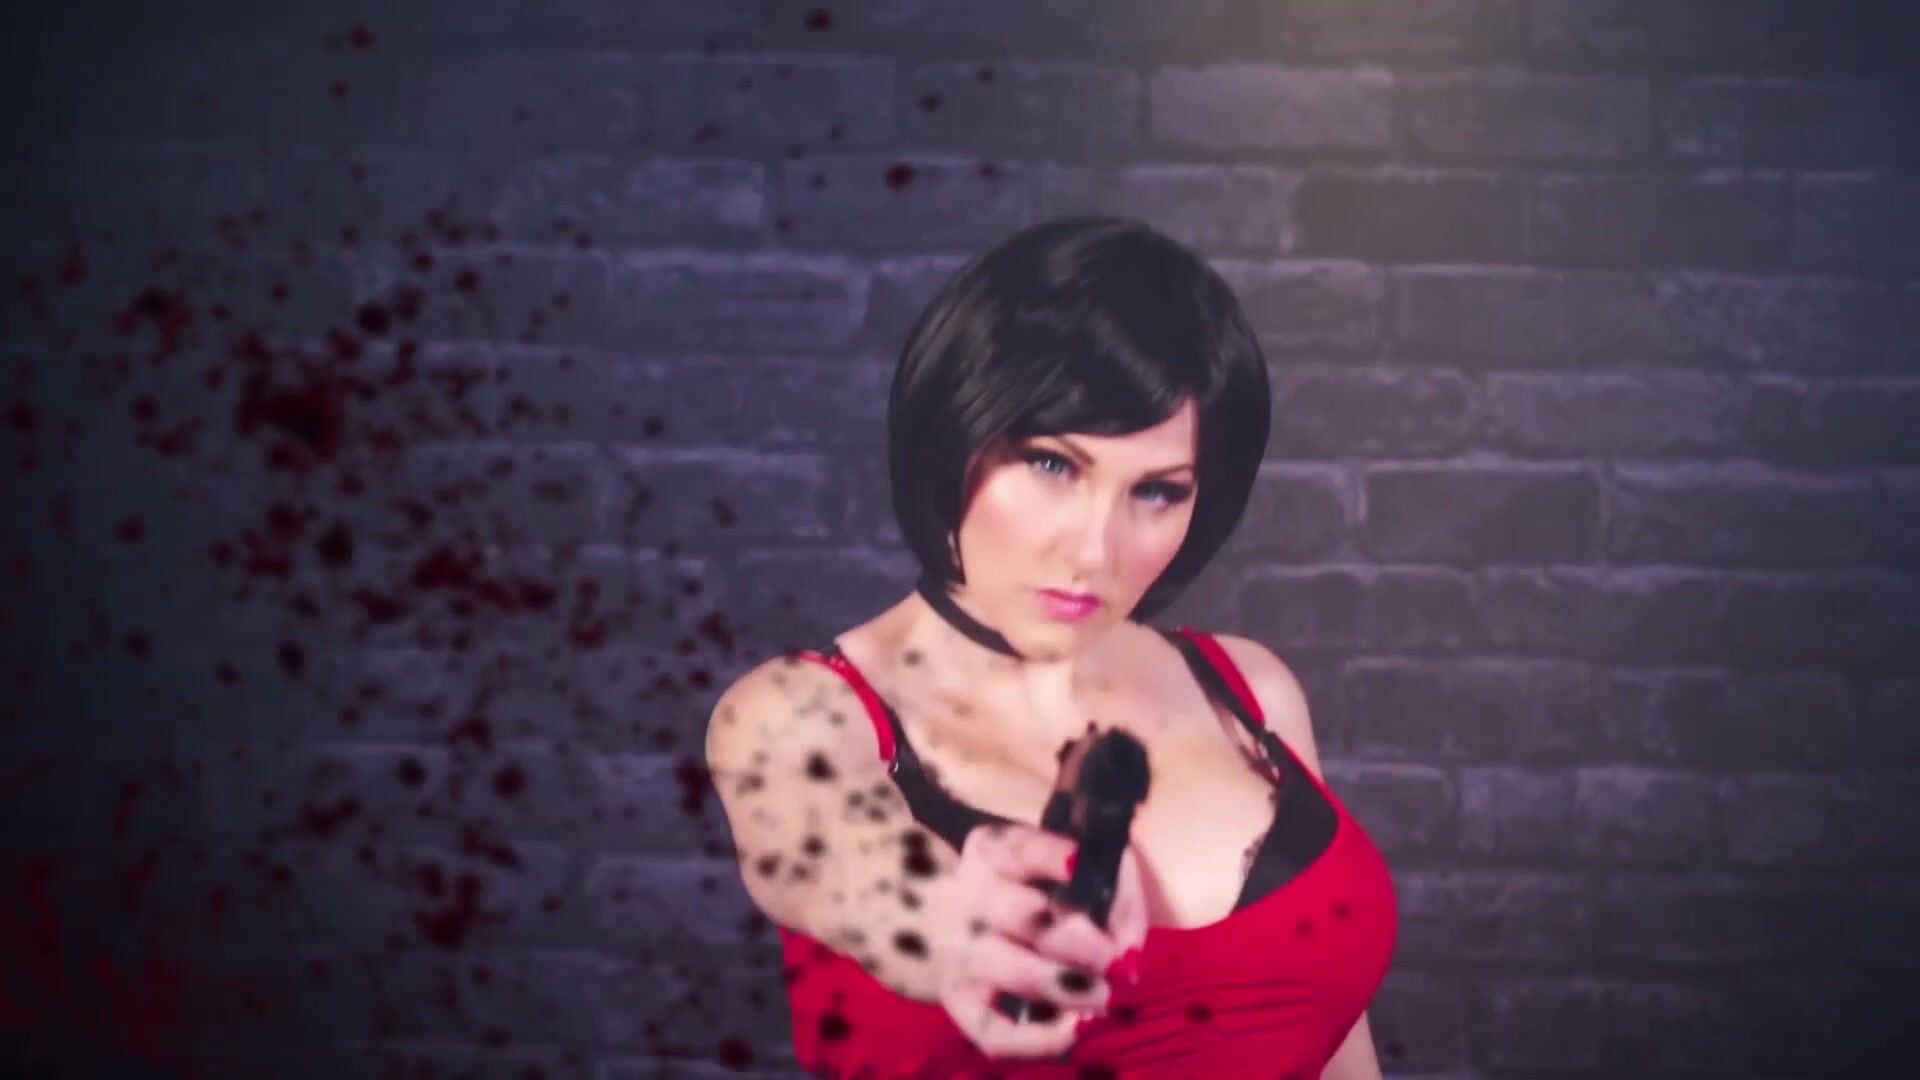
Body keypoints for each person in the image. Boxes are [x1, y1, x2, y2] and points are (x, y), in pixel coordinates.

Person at [706, 217, 1397, 1078]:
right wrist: (953, 919)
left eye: (1156, 491)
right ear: (956, 435)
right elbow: (848, 866)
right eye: (1051, 465)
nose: (1094, 550)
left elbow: (1336, 1048)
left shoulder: (1252, 693)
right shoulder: (793, 716)